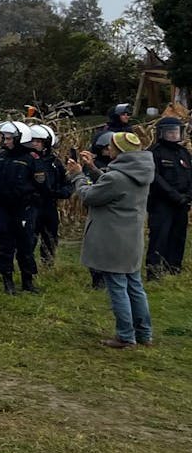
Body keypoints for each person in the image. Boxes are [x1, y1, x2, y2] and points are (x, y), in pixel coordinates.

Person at [66, 132, 155, 348]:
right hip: (131, 238)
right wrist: (93, 169)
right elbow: (110, 185)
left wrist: (78, 175)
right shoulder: (140, 172)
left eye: (112, 146)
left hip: (113, 239)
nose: (108, 149)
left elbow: (89, 196)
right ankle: (144, 333)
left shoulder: (115, 178)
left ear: (119, 151)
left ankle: (125, 336)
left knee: (117, 286)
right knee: (135, 285)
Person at [0, 121, 41, 295]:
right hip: (3, 207)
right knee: (5, 245)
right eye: (4, 138)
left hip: (23, 208)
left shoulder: (31, 159)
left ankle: (28, 281)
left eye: (10, 138)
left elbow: (40, 184)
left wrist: (30, 198)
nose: (6, 141)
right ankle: (7, 281)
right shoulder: (0, 156)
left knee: (25, 245)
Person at [146, 116, 191, 277]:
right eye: (170, 132)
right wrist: (174, 196)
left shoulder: (183, 152)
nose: (174, 135)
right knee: (160, 237)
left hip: (182, 203)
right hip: (161, 204)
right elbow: (155, 178)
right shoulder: (154, 153)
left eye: (176, 132)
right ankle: (155, 272)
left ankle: (174, 269)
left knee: (178, 237)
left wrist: (187, 196)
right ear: (162, 133)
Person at [27, 125, 71, 267]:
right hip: (32, 205)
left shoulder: (54, 162)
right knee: (30, 238)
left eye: (38, 141)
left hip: (49, 205)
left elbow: (65, 182)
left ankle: (48, 265)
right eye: (32, 141)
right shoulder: (26, 161)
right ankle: (27, 266)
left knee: (50, 237)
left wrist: (63, 192)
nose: (35, 144)